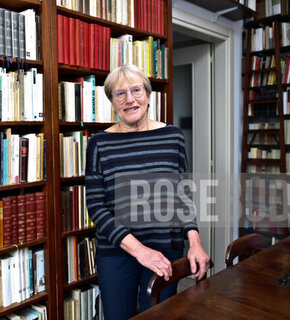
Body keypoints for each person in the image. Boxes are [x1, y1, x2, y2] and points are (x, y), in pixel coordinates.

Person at [85, 64, 210, 319]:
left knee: (161, 315)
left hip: (166, 249)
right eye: (120, 93)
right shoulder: (99, 143)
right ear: (111, 101)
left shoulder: (173, 137)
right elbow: (96, 207)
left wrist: (194, 242)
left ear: (149, 95)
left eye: (136, 90)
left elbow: (183, 196)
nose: (129, 99)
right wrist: (140, 251)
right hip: (118, 253)